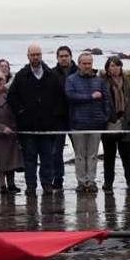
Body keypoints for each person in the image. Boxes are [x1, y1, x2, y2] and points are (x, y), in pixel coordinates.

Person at [7, 43, 65, 195]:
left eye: (38, 54)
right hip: (28, 127)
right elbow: (12, 97)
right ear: (28, 56)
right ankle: (31, 186)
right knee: (30, 159)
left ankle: (47, 184)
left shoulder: (51, 75)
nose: (35, 57)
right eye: (33, 55)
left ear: (42, 55)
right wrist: (21, 112)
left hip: (48, 126)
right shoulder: (21, 75)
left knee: (47, 158)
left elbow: (60, 98)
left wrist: (54, 115)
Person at [65, 51, 111, 193]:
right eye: (84, 63)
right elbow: (70, 96)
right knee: (79, 156)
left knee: (93, 155)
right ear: (79, 64)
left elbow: (107, 100)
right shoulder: (71, 80)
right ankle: (81, 182)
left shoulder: (99, 81)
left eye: (89, 63)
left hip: (96, 124)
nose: (87, 66)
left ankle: (91, 181)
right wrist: (90, 97)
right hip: (78, 123)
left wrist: (105, 117)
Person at [101, 57, 130, 194]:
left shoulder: (128, 82)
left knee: (127, 155)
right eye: (112, 66)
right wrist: (107, 116)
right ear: (107, 68)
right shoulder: (103, 82)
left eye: (117, 66)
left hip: (125, 123)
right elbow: (101, 103)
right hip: (110, 123)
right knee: (109, 156)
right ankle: (108, 184)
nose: (115, 68)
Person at [51, 46, 77, 190]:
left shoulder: (78, 71)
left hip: (76, 117)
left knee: (79, 151)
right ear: (57, 58)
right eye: (61, 56)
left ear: (71, 56)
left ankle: (82, 180)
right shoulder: (52, 73)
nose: (64, 58)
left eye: (66, 55)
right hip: (58, 117)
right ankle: (58, 179)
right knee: (56, 151)